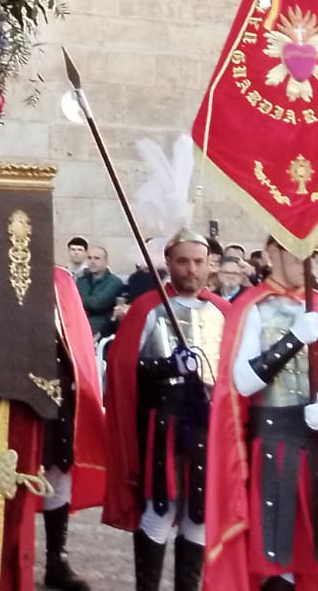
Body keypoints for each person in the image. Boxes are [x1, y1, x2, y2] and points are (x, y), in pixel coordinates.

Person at [205, 236, 318, 590]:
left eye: (313, 254)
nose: (306, 261)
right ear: (271, 254)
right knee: (277, 556)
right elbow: (244, 382)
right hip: (273, 446)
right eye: (297, 252)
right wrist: (293, 338)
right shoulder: (254, 308)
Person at [103, 230, 234, 591]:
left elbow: (236, 373)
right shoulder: (149, 307)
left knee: (199, 514)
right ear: (170, 263)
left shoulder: (224, 311)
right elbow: (122, 367)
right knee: (160, 510)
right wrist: (166, 365)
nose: (190, 269)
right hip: (164, 425)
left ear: (210, 264)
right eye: (182, 261)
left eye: (198, 262)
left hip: (209, 426)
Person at [42, 267, 109, 591]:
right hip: (11, 384)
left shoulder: (61, 279)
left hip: (58, 387)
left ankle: (57, 558)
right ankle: (13, 554)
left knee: (59, 468)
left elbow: (76, 341)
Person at [77, 246, 125, 336]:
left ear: (106, 262)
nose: (92, 261)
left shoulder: (114, 282)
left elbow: (98, 303)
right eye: (89, 258)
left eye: (97, 258)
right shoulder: (81, 281)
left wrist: (77, 300)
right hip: (78, 325)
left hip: (100, 329)